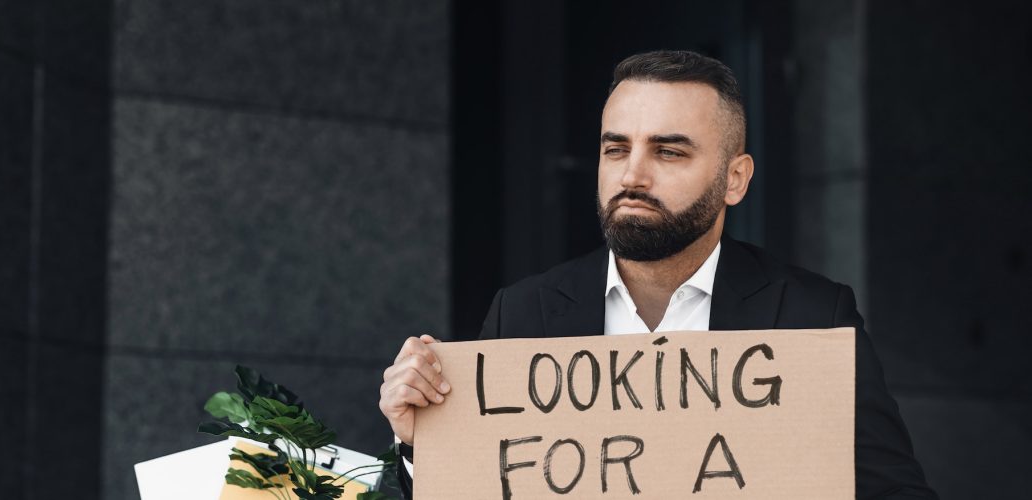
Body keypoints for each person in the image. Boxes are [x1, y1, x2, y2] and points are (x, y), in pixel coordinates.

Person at [378, 50, 936, 499]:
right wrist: (420, 443)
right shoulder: (524, 312)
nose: (632, 175)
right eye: (615, 148)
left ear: (735, 180)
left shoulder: (812, 315)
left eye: (669, 152)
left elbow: (895, 490)